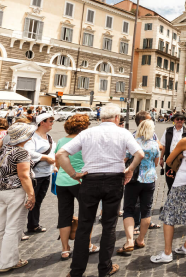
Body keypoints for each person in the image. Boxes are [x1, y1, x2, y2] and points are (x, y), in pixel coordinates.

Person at [57, 104, 145, 277]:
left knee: (84, 225)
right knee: (109, 226)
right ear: (117, 118)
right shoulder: (123, 133)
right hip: (114, 180)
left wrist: (73, 174)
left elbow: (61, 154)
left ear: (100, 118)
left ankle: (76, 271)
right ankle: (105, 268)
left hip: (90, 180)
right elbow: (140, 154)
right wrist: (130, 170)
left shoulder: (87, 133)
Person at [151, 114, 186, 264]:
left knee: (168, 216)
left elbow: (169, 160)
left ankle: (167, 253)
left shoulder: (185, 140)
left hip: (181, 182)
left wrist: (180, 157)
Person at [55, 114, 98, 261]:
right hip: (80, 180)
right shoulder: (85, 140)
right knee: (87, 213)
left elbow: (58, 161)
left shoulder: (61, 141)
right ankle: (87, 245)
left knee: (64, 215)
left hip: (62, 181)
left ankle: (65, 249)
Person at [116, 119, 160, 255]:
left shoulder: (134, 143)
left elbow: (124, 159)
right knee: (146, 210)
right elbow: (156, 163)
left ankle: (129, 241)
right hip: (149, 180)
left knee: (129, 209)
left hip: (134, 179)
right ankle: (140, 239)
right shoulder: (155, 144)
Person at [0, 124, 36, 272]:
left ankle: (3, 259)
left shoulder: (4, 148)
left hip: (2, 190)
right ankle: (8, 262)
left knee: (2, 227)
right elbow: (24, 176)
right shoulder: (21, 152)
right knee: (13, 228)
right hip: (15, 191)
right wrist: (31, 195)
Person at [24, 112, 56, 234]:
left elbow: (53, 152)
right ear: (42, 122)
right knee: (31, 200)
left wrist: (54, 165)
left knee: (38, 200)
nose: (52, 123)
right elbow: (28, 152)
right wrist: (45, 158)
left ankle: (33, 224)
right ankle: (25, 226)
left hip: (46, 173)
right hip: (35, 174)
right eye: (50, 121)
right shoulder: (32, 137)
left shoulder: (49, 137)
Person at [160, 112, 186, 193]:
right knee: (169, 181)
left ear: (184, 121)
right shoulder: (168, 130)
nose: (179, 121)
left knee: (180, 182)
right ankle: (170, 199)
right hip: (169, 159)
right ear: (174, 120)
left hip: (181, 161)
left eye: (181, 119)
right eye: (177, 119)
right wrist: (161, 158)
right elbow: (164, 145)